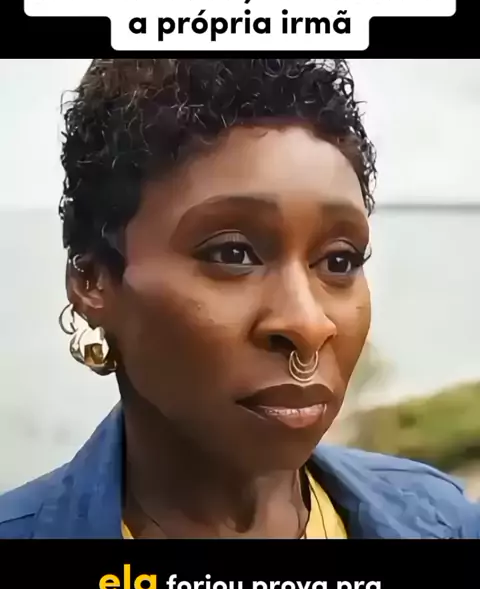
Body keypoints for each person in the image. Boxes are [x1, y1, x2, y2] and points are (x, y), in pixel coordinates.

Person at [0, 57, 478, 539]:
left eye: (339, 260)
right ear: (93, 281)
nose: (309, 324)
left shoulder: (445, 521)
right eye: (232, 254)